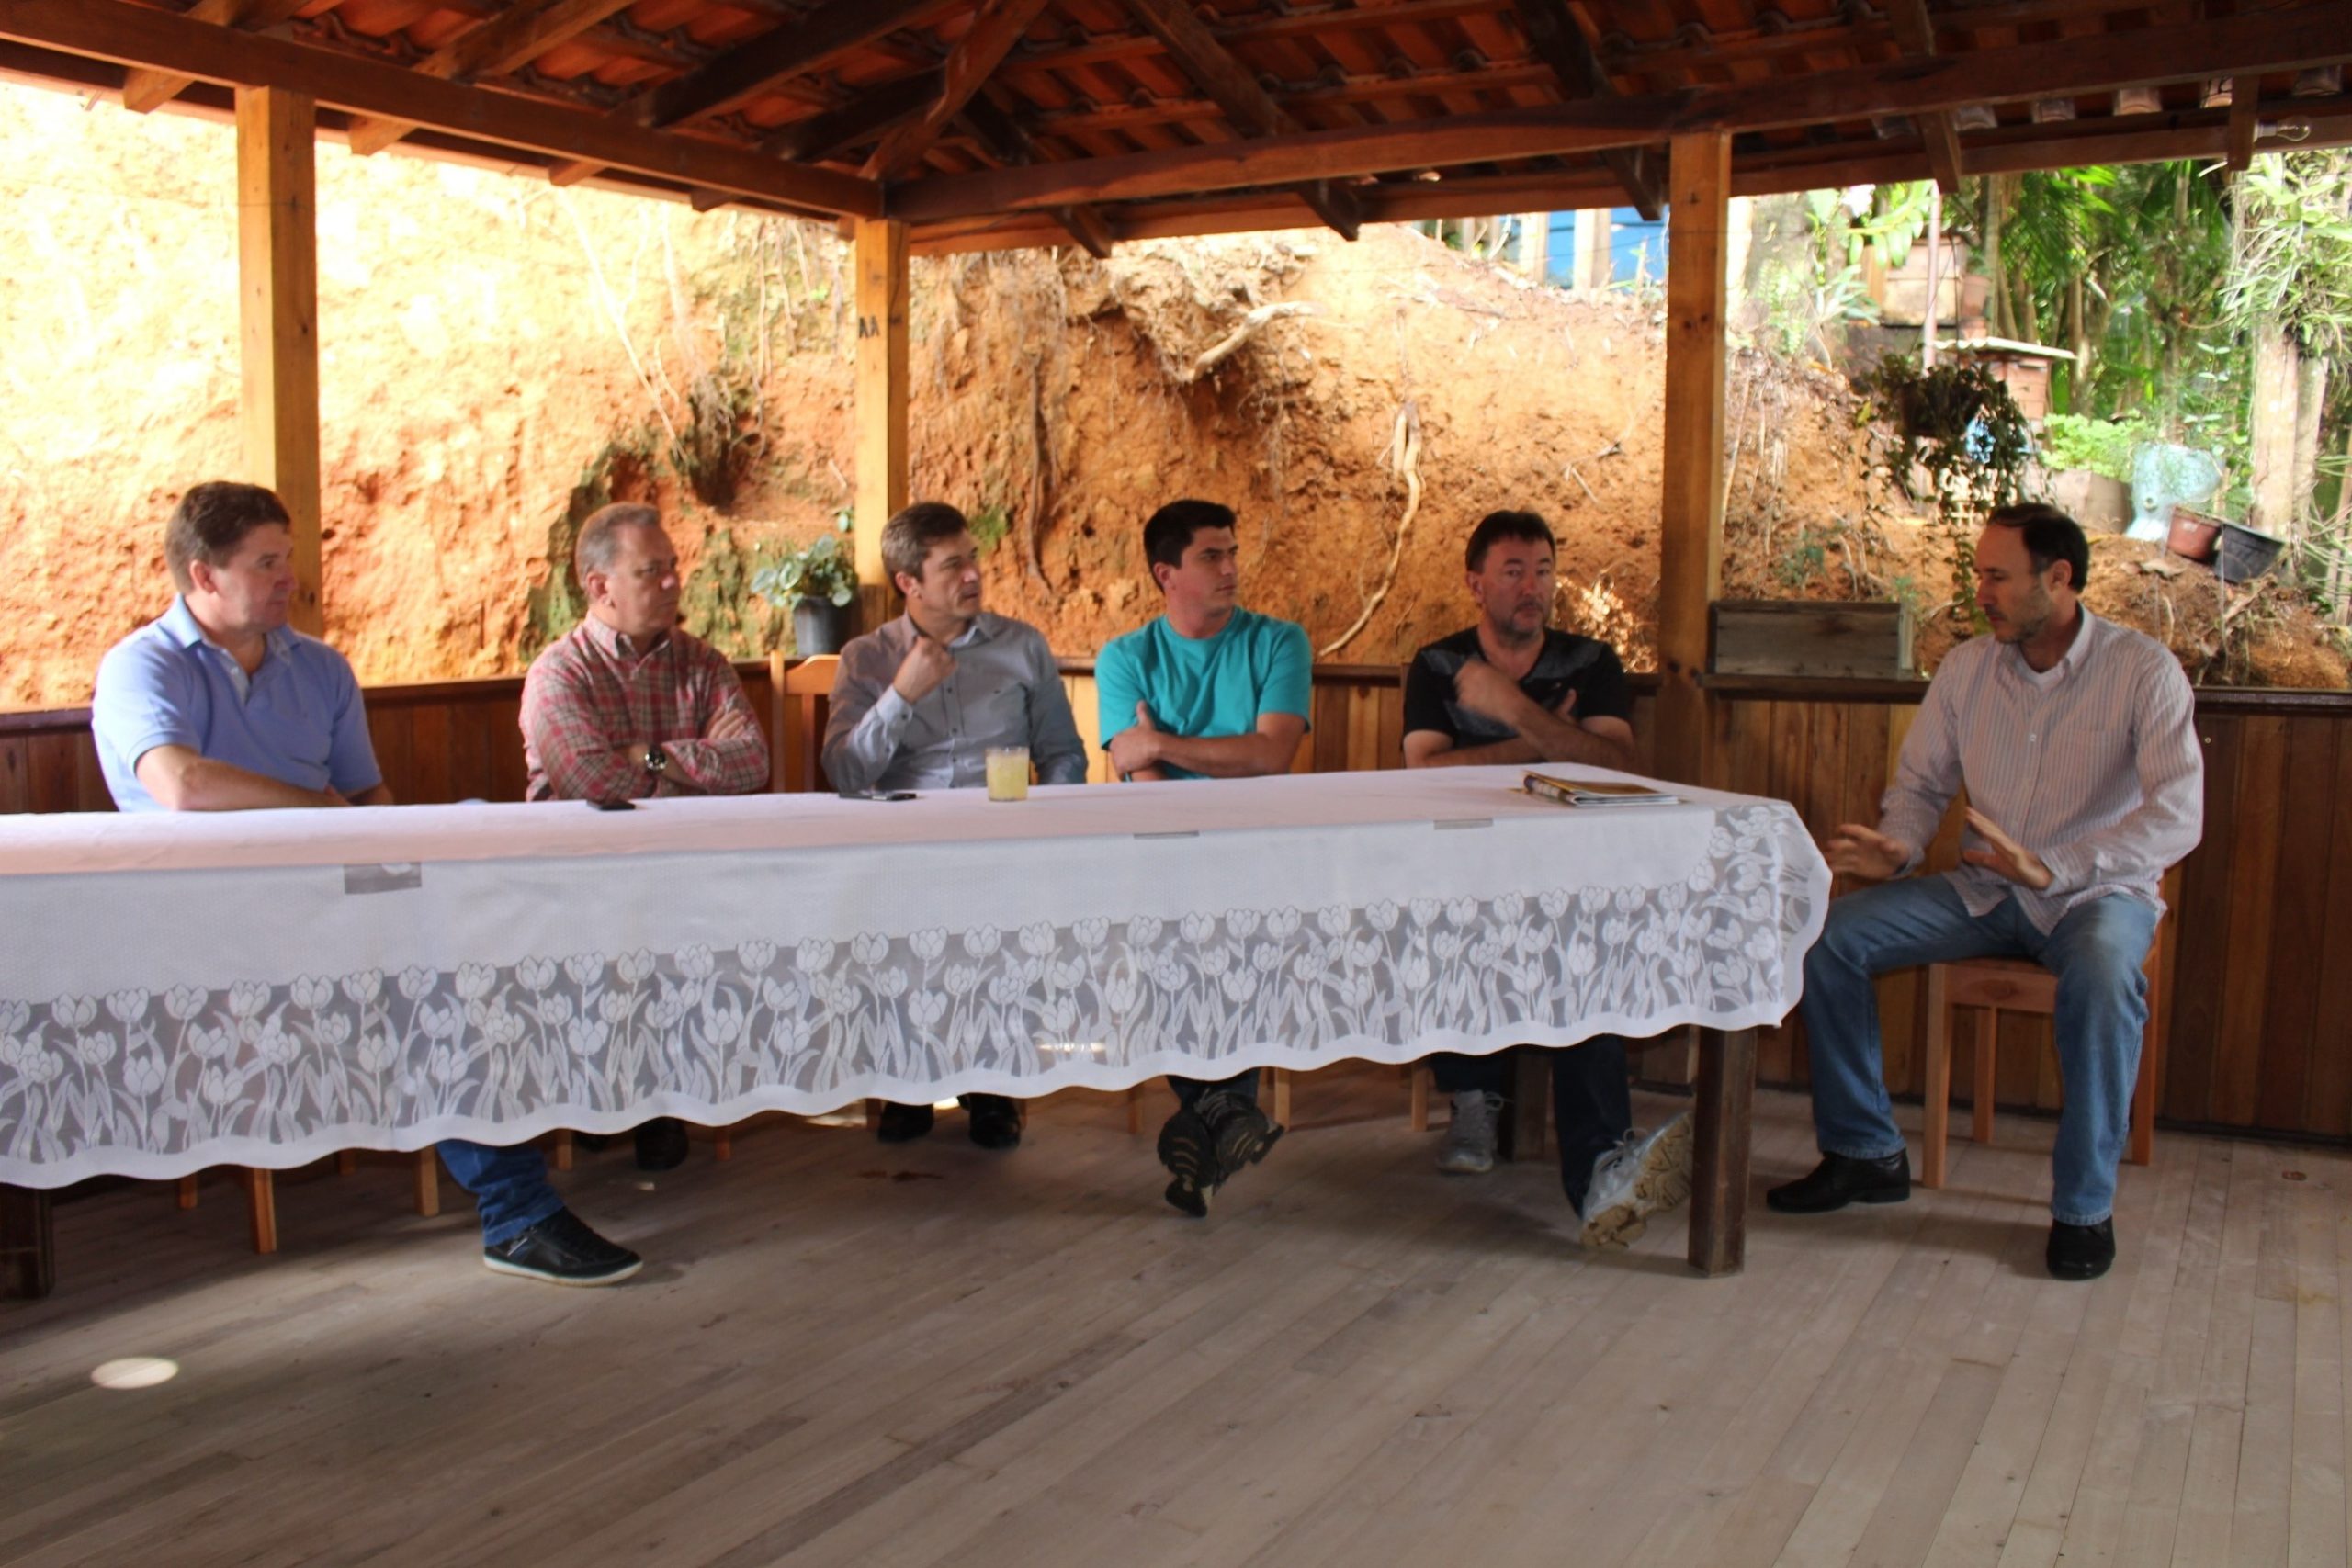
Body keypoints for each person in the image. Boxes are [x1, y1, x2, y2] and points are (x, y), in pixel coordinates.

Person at [93, 480, 639, 1285]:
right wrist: (313, 806)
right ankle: (519, 1214)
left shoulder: (320, 667)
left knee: (484, 948)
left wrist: (409, 870)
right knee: (434, 984)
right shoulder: (142, 665)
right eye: (266, 562)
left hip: (329, 906)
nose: (290, 578)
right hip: (203, 927)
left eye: (289, 559)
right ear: (203, 576)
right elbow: (182, 785)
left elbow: (373, 803)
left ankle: (561, 1166)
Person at [1768, 503, 2203, 1282]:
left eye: (1997, 576)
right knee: (1830, 936)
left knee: (2105, 978)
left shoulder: (2143, 670)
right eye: (1978, 575)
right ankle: (1866, 1152)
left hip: (2098, 896)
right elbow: (1922, 784)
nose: (1982, 592)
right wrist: (1899, 847)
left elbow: (2178, 815)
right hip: (1984, 890)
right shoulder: (1968, 667)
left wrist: (2058, 866)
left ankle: (2083, 1208)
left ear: (2059, 578)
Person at [1401, 508, 1692, 1248]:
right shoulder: (1439, 666)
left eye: (1544, 571)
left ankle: (1602, 1168)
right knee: (1446, 913)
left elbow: (1619, 766)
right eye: (1513, 571)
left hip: (1570, 870)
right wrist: (1544, 737)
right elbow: (1421, 775)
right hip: (1461, 863)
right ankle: (1473, 1097)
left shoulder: (1592, 661)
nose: (1533, 587)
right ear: (1475, 583)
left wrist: (1508, 712)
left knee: (1578, 946)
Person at [823, 501, 1087, 1149]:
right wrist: (901, 694)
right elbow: (845, 774)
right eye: (953, 565)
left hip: (1005, 837)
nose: (973, 574)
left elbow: (1063, 753)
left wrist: (1048, 825)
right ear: (909, 582)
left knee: (1000, 924)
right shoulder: (867, 657)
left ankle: (993, 1089)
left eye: (974, 558)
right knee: (897, 918)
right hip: (906, 842)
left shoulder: (1021, 645)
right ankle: (909, 1084)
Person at [519, 502, 769, 1171]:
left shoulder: (703, 663)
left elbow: (753, 761)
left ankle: (668, 1099)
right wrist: (688, 785)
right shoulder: (558, 673)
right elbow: (586, 777)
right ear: (600, 586)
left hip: (682, 876)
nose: (671, 583)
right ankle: (609, 1100)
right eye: (651, 571)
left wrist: (652, 756)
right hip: (577, 880)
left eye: (672, 568)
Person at [1097, 499, 1311, 1216]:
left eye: (1232, 552)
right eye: (1210, 557)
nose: (1230, 568)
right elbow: (1152, 795)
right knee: (1175, 923)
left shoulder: (1280, 642)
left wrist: (1162, 742)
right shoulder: (1125, 658)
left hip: (1261, 852)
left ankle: (1211, 1120)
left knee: (1226, 921)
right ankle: (1226, 1116)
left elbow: (1272, 753)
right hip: (1165, 855)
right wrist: (1207, 760)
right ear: (1167, 574)